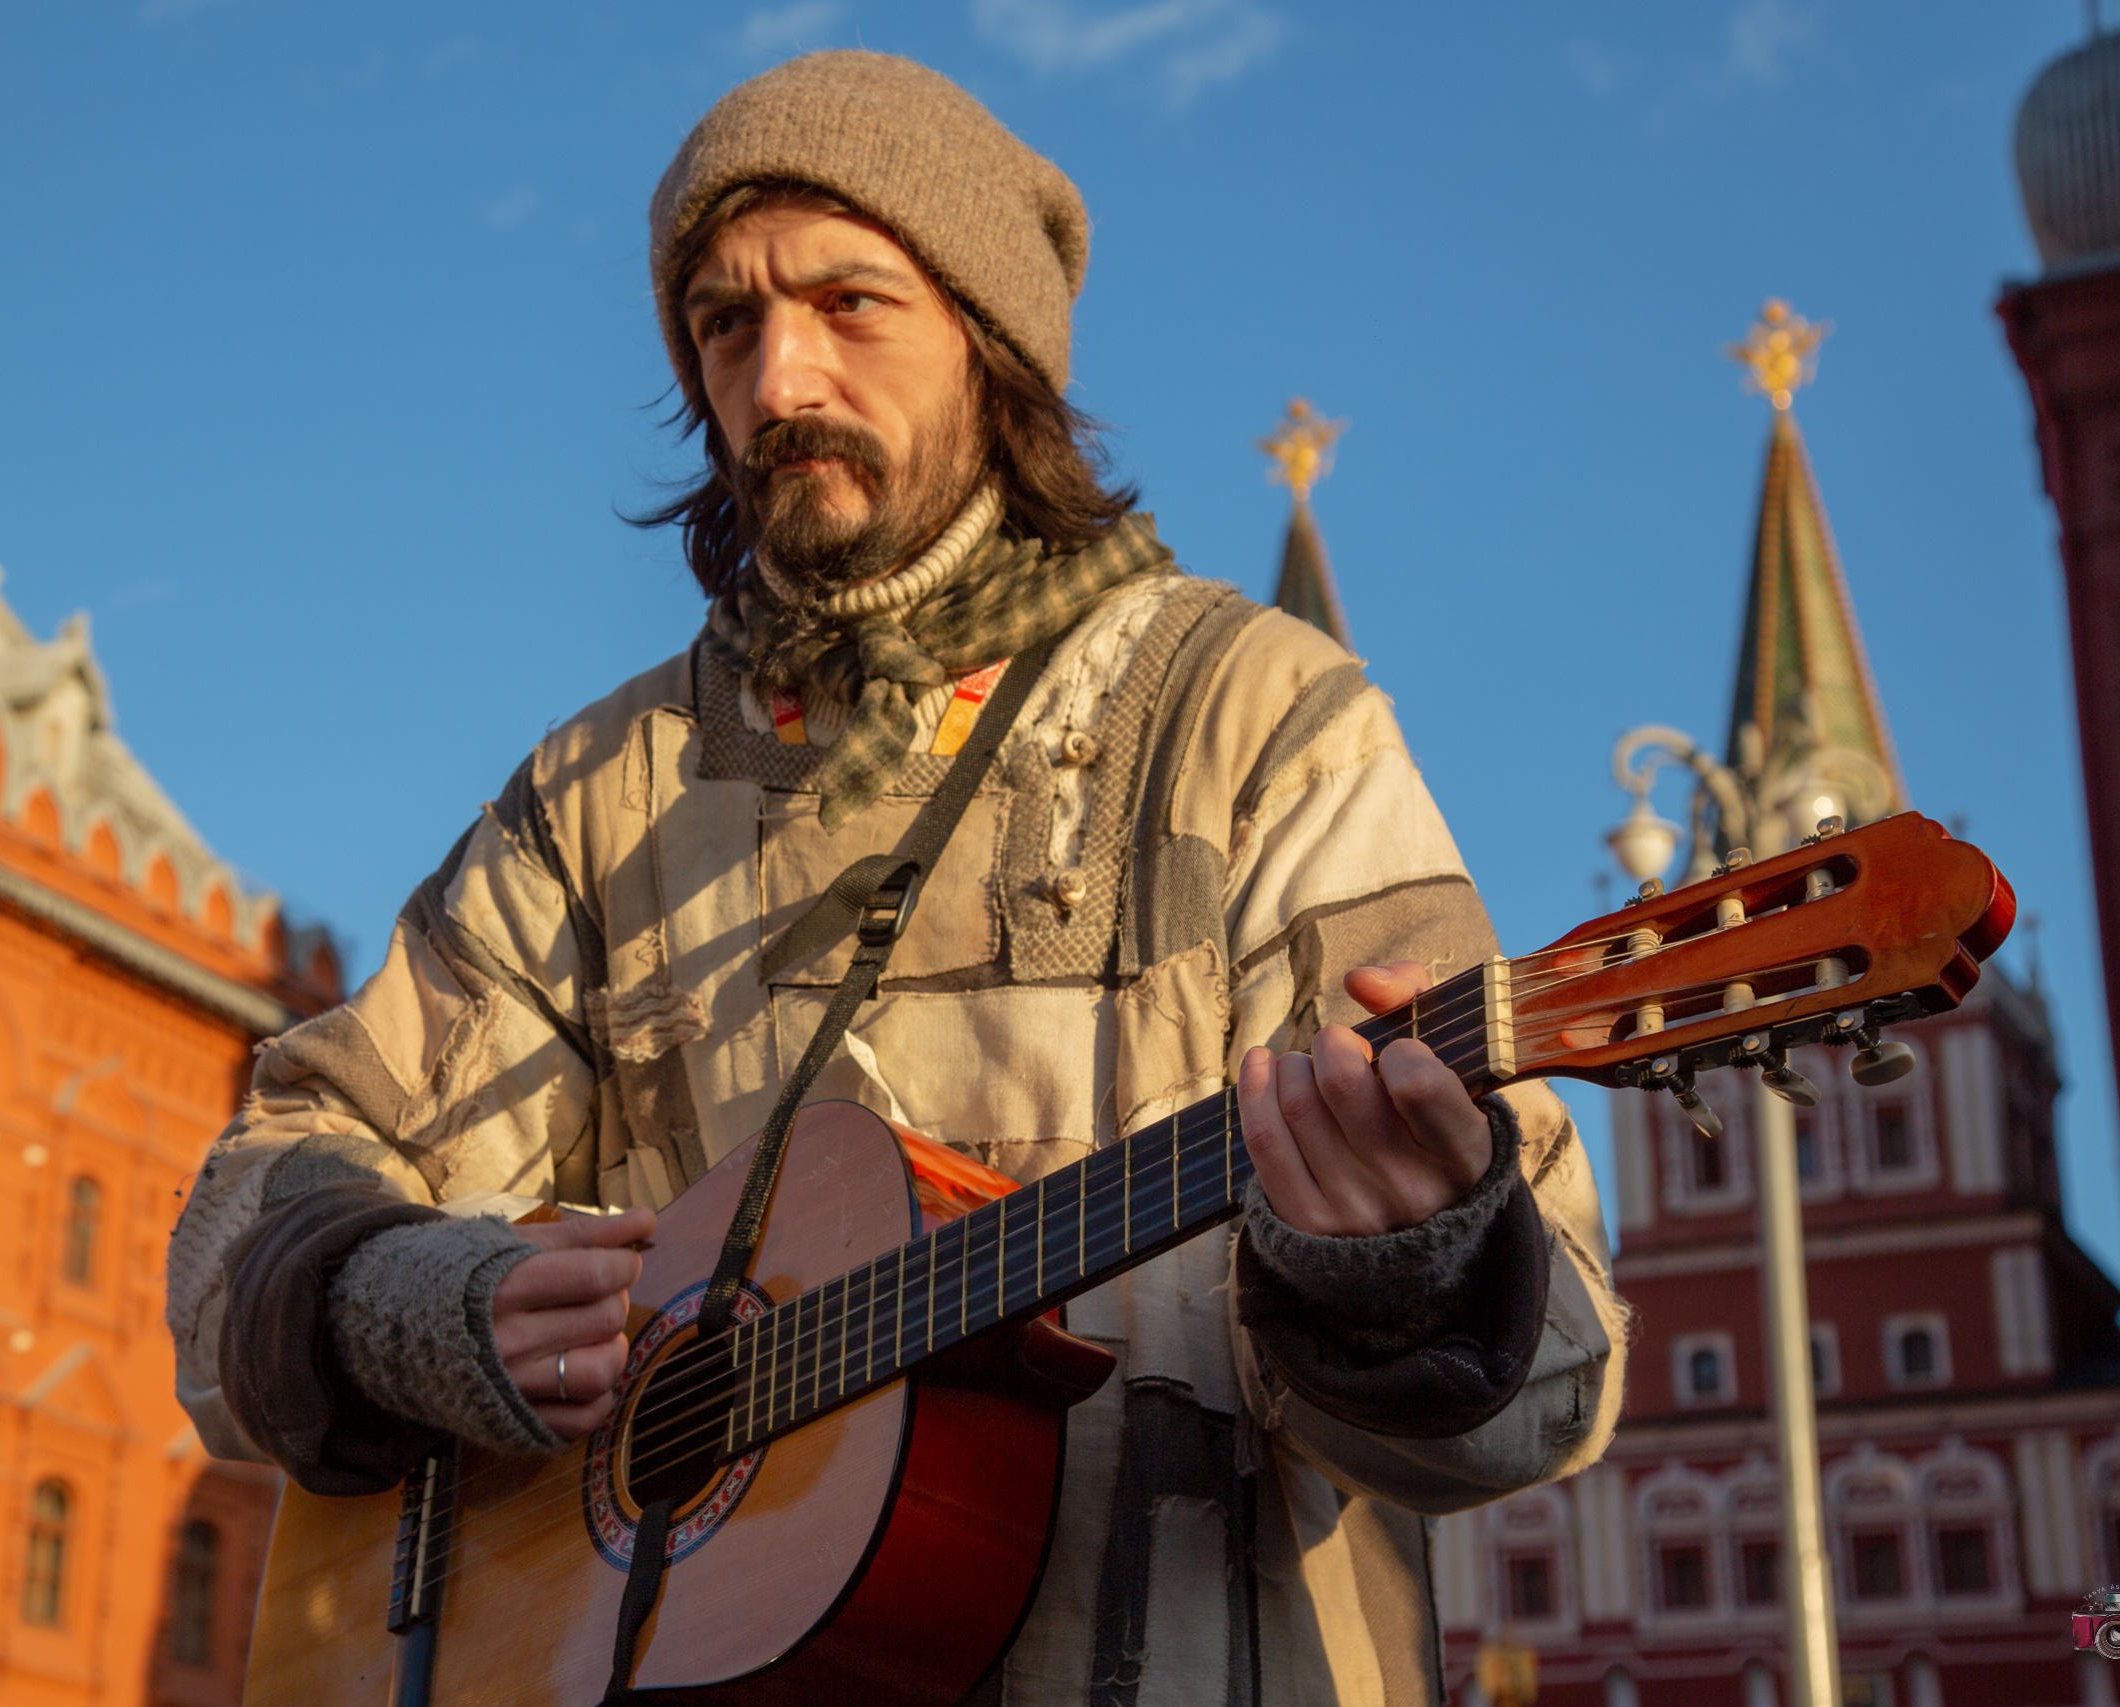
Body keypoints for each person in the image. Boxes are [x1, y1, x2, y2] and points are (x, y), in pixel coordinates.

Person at [166, 49, 1624, 1705]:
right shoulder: (594, 799)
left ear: (991, 348)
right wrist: (414, 1307)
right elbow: (251, 1208)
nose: (779, 376)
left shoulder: (1258, 718)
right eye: (726, 322)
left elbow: (1550, 1376)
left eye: (851, 302)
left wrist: (1409, 1265)